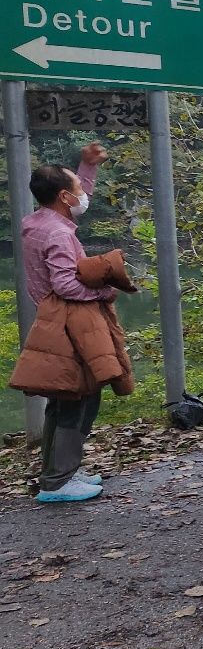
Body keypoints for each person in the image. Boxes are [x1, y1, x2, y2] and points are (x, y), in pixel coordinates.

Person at [13, 144, 115, 503]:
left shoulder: (38, 222)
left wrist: (86, 167)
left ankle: (59, 470)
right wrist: (104, 290)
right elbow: (65, 284)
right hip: (69, 321)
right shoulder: (58, 233)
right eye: (76, 188)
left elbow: (75, 197)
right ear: (63, 197)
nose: (82, 194)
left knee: (63, 398)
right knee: (78, 396)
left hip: (51, 318)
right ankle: (57, 481)